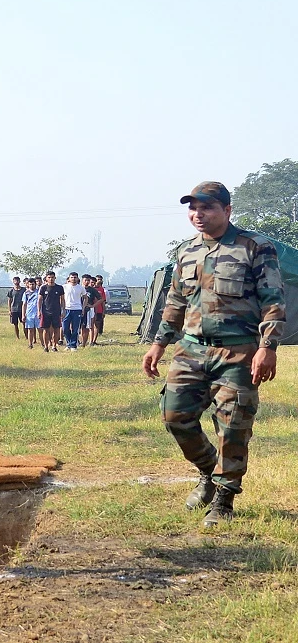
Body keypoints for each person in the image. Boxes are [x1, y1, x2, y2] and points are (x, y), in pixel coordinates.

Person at [142, 182, 284, 528]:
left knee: (233, 427)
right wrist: (159, 343)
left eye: (206, 207)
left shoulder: (255, 247)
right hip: (191, 349)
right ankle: (209, 470)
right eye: (193, 208)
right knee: (175, 417)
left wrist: (267, 347)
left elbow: (273, 301)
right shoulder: (186, 251)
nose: (198, 214)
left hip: (238, 352)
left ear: (227, 210)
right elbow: (175, 300)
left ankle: (223, 500)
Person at [38, 271, 64, 352]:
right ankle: (46, 347)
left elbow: (62, 300)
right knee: (46, 330)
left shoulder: (59, 288)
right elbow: (39, 300)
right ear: (46, 278)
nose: (51, 279)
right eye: (49, 277)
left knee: (56, 329)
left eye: (52, 277)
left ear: (55, 278)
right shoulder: (43, 288)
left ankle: (54, 346)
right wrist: (38, 311)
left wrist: (63, 310)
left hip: (56, 312)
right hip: (46, 312)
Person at [61, 271, 86, 351]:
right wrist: (62, 308)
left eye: (75, 277)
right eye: (72, 277)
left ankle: (73, 345)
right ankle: (68, 343)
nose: (73, 279)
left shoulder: (81, 287)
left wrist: (83, 308)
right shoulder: (64, 287)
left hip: (77, 309)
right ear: (69, 278)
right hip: (67, 309)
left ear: (77, 278)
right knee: (65, 328)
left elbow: (85, 298)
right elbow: (61, 298)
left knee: (75, 329)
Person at [22, 277, 41, 349]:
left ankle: (43, 344)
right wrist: (23, 315)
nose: (31, 286)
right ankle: (30, 344)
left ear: (35, 284)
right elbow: (24, 304)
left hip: (38, 313)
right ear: (28, 285)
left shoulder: (39, 292)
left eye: (33, 284)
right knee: (30, 329)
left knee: (40, 330)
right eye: (30, 284)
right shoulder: (26, 293)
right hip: (29, 314)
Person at [93, 275, 107, 339]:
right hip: (91, 309)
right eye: (98, 279)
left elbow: (103, 301)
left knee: (97, 325)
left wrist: (104, 310)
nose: (99, 281)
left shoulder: (102, 289)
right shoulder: (91, 288)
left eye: (100, 279)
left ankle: (94, 341)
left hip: (99, 310)